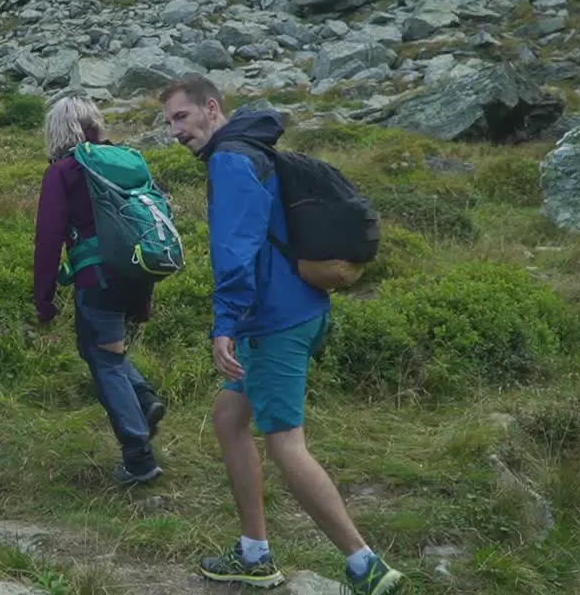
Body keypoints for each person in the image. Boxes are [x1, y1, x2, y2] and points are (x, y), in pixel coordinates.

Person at [159, 75, 405, 595]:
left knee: (286, 443)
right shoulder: (252, 148)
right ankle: (254, 552)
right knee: (229, 416)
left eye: (181, 117)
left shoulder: (231, 160)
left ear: (211, 108)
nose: (175, 131)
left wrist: (224, 324)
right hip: (297, 309)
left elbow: (237, 248)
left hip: (275, 323)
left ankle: (366, 566)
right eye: (169, 123)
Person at [31, 94, 167, 486]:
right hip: (135, 274)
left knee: (101, 358)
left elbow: (48, 238)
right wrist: (144, 299)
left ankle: (139, 459)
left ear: (57, 129)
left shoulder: (64, 171)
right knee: (107, 350)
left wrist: (43, 299)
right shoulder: (122, 161)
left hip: (97, 279)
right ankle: (144, 399)